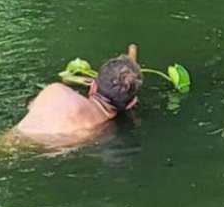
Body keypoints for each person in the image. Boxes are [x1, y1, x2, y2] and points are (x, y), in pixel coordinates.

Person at [12, 44, 143, 148]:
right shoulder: (94, 134)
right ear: (131, 104)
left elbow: (31, 107)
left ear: (93, 86)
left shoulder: (56, 91)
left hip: (14, 137)